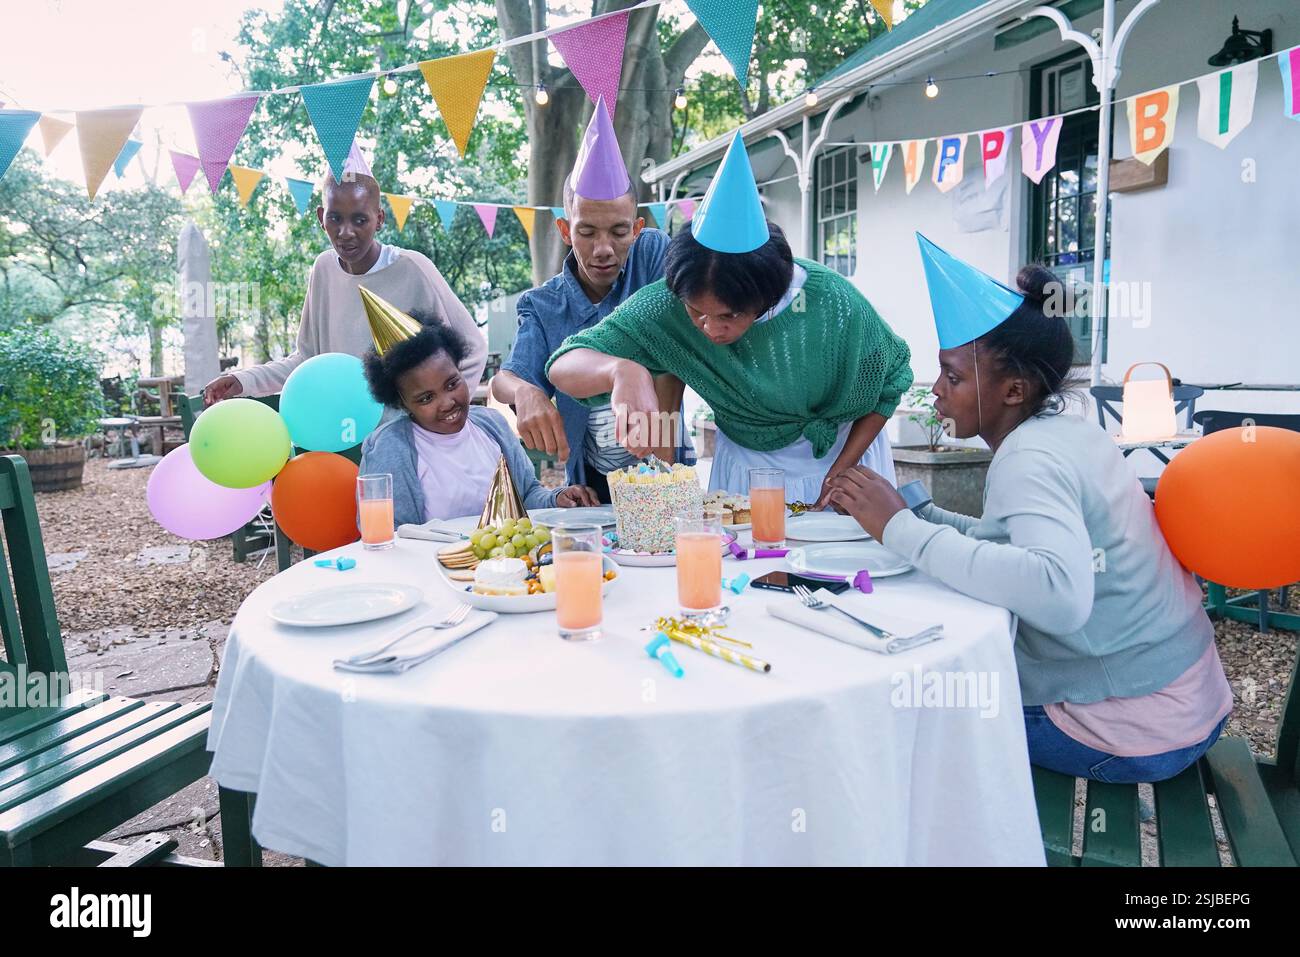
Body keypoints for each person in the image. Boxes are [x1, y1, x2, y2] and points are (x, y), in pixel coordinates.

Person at [827, 234, 1231, 784]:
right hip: (1192, 700)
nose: (937, 394)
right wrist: (918, 514)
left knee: (906, 713)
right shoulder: (1068, 433)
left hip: (1134, 727)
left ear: (1013, 390)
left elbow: (1058, 594)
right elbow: (1019, 545)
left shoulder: (1027, 458)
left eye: (953, 377)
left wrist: (901, 531)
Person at [546, 132, 912, 503]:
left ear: (768, 294)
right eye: (696, 312)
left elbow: (890, 383)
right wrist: (621, 370)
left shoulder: (831, 301)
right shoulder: (666, 305)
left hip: (846, 463)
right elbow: (563, 363)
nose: (711, 328)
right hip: (747, 467)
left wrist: (840, 472)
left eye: (731, 315)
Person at [491, 97, 690, 503]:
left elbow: (674, 351)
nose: (603, 249)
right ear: (565, 230)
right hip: (589, 484)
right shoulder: (542, 305)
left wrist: (660, 466)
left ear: (636, 228)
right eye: (587, 232)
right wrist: (527, 392)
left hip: (663, 471)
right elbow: (504, 381)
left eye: (618, 232)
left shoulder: (653, 256)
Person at [204, 143, 484, 405]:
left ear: (380, 219)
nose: (346, 232)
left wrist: (439, 416)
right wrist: (244, 380)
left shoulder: (412, 267)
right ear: (320, 217)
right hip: (341, 432)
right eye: (335, 218)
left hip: (406, 441)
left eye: (360, 220)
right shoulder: (323, 270)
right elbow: (308, 359)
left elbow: (473, 349)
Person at [360, 309, 598, 526]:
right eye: (426, 398)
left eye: (452, 384)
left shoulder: (491, 424)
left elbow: (527, 496)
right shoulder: (389, 447)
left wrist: (557, 499)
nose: (447, 402)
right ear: (402, 402)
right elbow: (381, 532)